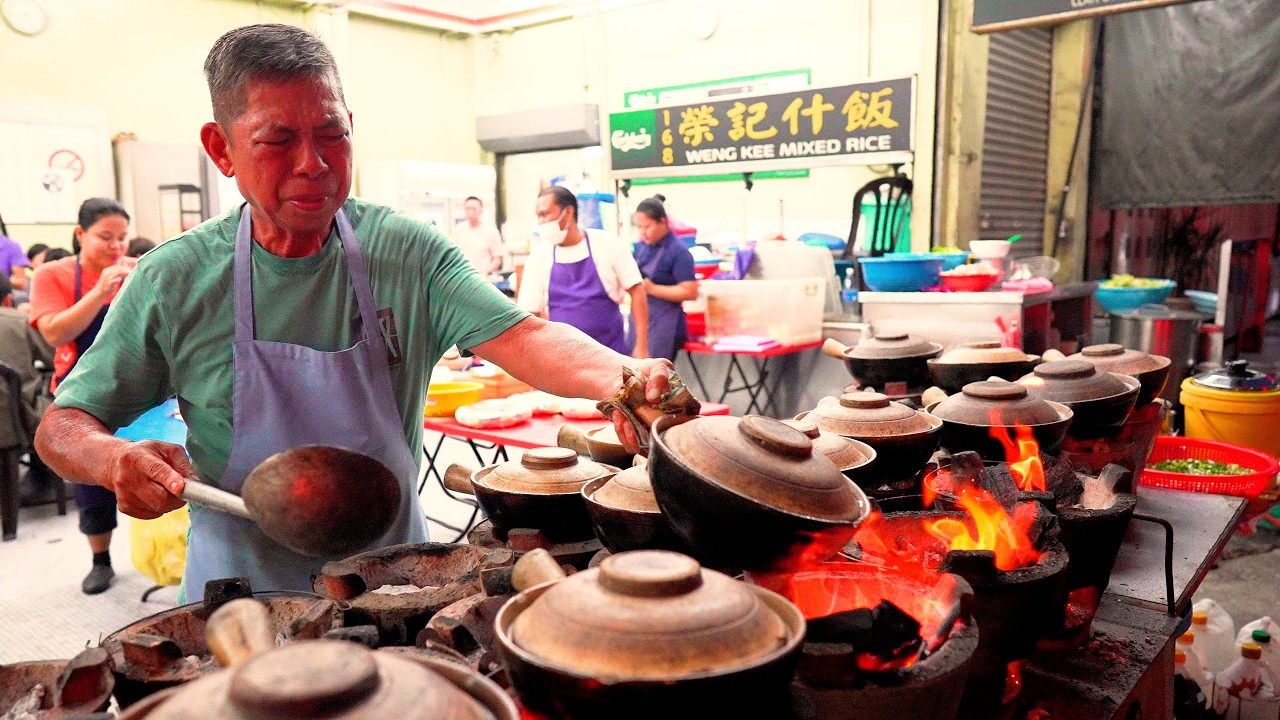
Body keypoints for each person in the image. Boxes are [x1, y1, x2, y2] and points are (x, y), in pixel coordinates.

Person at [34, 24, 674, 603]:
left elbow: (527, 338)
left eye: (332, 135)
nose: (312, 163)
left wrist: (625, 376)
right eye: (278, 140)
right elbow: (60, 425)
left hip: (395, 585)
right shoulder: (175, 278)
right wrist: (110, 460)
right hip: (239, 601)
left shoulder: (407, 252)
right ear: (222, 149)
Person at [29, 198, 136, 594]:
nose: (116, 247)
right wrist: (101, 290)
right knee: (91, 480)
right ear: (80, 235)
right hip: (80, 391)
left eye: (122, 238)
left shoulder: (133, 271)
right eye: (105, 237)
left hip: (136, 386)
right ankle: (100, 560)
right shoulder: (52, 275)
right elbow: (55, 332)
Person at [517, 186, 649, 357]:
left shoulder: (608, 244)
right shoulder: (539, 257)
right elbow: (529, 316)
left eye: (545, 214)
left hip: (611, 355)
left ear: (569, 212)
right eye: (538, 216)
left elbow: (637, 290)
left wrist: (641, 346)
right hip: (563, 361)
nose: (541, 222)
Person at [626, 195, 698, 360]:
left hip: (666, 323)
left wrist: (653, 289)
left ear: (663, 222)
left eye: (647, 227)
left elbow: (690, 292)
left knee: (655, 377)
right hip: (639, 321)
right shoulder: (640, 247)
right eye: (639, 227)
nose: (643, 233)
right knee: (632, 377)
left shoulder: (679, 252)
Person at [449, 197, 505, 276]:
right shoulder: (458, 230)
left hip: (483, 278)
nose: (470, 211)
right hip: (463, 277)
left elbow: (497, 258)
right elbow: (453, 255)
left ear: (481, 210)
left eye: (473, 208)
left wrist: (487, 272)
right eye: (468, 208)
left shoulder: (491, 231)